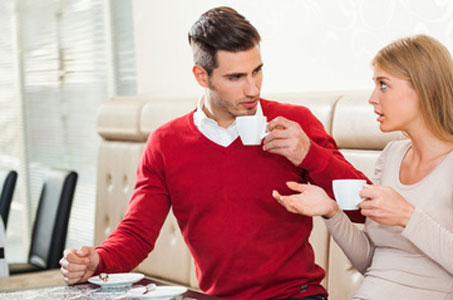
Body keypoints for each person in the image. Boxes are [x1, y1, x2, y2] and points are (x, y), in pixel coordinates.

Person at [59, 6, 368, 300]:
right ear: (201, 76)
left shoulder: (295, 124)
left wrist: (309, 154)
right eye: (235, 78)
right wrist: (99, 260)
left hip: (296, 295)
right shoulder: (165, 143)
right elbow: (138, 232)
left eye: (257, 71)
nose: (253, 89)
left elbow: (360, 209)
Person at [274, 34, 453, 300]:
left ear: (426, 87)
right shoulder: (392, 155)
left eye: (383, 85)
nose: (372, 98)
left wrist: (407, 216)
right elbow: (372, 262)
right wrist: (332, 211)